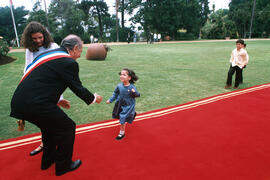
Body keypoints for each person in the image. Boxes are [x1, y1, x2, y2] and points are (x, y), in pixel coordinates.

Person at [10, 34, 103, 176]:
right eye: (80, 51)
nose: (80, 55)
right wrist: (94, 98)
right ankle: (63, 166)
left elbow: (43, 81)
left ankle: (47, 161)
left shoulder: (50, 54)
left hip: (21, 101)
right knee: (68, 127)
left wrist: (58, 100)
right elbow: (77, 87)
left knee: (49, 128)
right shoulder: (68, 62)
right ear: (75, 48)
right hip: (36, 103)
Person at [21, 21, 70, 156]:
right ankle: (45, 143)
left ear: (45, 35)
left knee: (54, 119)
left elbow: (60, 72)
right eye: (34, 38)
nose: (38, 41)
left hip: (53, 88)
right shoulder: (30, 50)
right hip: (38, 89)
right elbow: (27, 69)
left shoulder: (53, 46)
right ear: (29, 38)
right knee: (44, 120)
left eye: (40, 37)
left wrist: (60, 98)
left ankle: (55, 143)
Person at [106, 68, 140, 140]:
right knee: (119, 116)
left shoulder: (132, 87)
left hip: (128, 105)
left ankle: (121, 133)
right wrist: (110, 100)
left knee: (122, 117)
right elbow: (115, 93)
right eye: (121, 74)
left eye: (124, 75)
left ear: (129, 78)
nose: (121, 76)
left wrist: (134, 92)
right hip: (120, 104)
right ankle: (132, 114)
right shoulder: (119, 86)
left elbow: (138, 95)